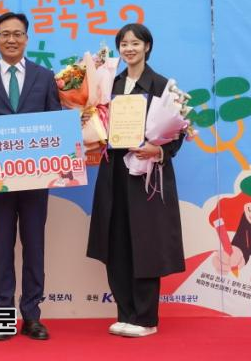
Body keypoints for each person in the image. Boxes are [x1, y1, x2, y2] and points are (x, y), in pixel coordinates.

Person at [0, 12, 61, 341]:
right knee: (2, 247)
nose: (11, 39)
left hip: (36, 180)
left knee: (35, 247)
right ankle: (4, 315)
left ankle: (32, 316)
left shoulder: (45, 77)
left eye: (17, 34)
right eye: (5, 34)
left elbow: (55, 123)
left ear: (26, 38)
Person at [86, 23, 185, 338]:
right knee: (115, 241)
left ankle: (145, 319)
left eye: (135, 43)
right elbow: (96, 123)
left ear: (147, 47)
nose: (129, 49)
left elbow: (178, 131)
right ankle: (125, 313)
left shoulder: (163, 85)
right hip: (113, 172)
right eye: (124, 44)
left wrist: (159, 150)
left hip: (146, 174)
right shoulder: (108, 84)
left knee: (145, 242)